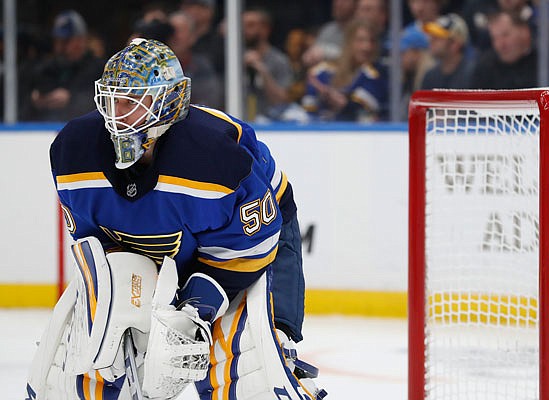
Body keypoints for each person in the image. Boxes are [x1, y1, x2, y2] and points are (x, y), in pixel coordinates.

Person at [26, 38, 325, 400]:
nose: (116, 114)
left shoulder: (216, 158)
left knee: (249, 364)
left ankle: (281, 362)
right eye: (111, 99)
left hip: (250, 244)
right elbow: (96, 245)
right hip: (157, 242)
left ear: (169, 102)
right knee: (91, 353)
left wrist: (195, 310)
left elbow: (251, 249)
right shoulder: (74, 151)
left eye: (131, 101)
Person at [470, 10, 549, 89]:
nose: (500, 44)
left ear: (525, 32)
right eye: (494, 38)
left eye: (505, 35)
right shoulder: (486, 66)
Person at [21, 10, 105, 121]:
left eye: (66, 41)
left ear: (81, 40)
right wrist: (35, 101)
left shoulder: (99, 69)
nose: (60, 47)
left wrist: (71, 100)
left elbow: (105, 104)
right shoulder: (45, 69)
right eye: (57, 40)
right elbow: (19, 107)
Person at [301, 19, 388, 122]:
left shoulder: (377, 75)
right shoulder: (323, 72)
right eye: (360, 40)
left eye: (372, 41)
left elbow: (358, 110)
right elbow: (308, 112)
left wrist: (333, 97)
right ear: (348, 41)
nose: (367, 47)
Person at [242, 6, 294, 121]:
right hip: (239, 122)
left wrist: (262, 71)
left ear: (265, 29)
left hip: (272, 125)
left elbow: (282, 101)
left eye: (250, 25)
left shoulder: (279, 60)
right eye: (242, 25)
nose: (244, 30)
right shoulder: (232, 60)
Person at [168, 10, 224, 108]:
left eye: (180, 31)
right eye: (171, 30)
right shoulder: (153, 64)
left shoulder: (201, 66)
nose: (174, 36)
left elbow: (207, 105)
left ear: (192, 37)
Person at [421, 13, 474, 89]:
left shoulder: (473, 75)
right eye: (431, 36)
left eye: (437, 37)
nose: (431, 40)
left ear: (455, 44)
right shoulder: (430, 77)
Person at [302, 0, 357, 67]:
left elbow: (354, 58)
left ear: (356, 4)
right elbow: (314, 52)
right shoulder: (328, 29)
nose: (338, 4)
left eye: (344, 1)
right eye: (336, 0)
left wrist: (325, 53)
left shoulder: (359, 31)